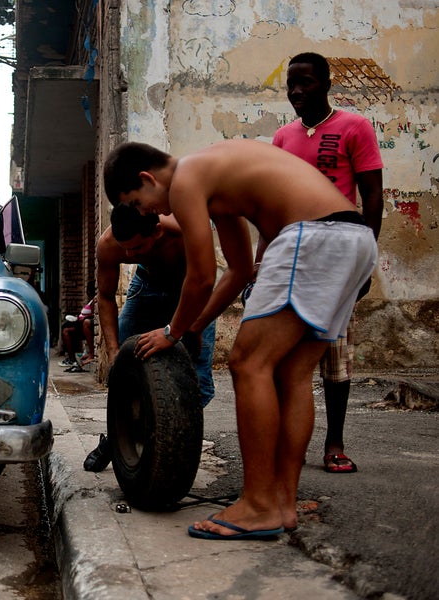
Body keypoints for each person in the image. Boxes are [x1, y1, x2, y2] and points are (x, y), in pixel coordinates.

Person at [105, 139, 376, 540]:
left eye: (137, 203)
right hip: (353, 238)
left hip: (313, 234)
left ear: (147, 177)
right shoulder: (213, 174)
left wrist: (171, 332)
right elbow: (238, 269)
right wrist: (195, 326)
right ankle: (282, 504)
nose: (148, 214)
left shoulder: (185, 180)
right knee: (293, 374)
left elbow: (200, 277)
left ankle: (258, 505)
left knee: (248, 363)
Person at [271, 52, 383, 474]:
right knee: (284, 355)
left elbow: (373, 193)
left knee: (335, 356)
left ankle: (334, 443)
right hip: (293, 253)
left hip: (339, 254)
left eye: (306, 82)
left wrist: (365, 259)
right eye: (291, 84)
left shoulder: (354, 127)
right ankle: (289, 440)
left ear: (327, 83)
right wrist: (264, 261)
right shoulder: (283, 137)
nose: (297, 91)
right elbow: (274, 202)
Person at [83, 204, 220, 470]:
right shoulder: (109, 245)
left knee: (199, 382)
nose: (129, 255)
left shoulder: (185, 233)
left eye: (136, 249)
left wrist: (190, 329)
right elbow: (106, 297)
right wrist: (112, 351)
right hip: (146, 285)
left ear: (156, 232)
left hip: (190, 288)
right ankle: (117, 439)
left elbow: (203, 281)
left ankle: (165, 441)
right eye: (126, 250)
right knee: (123, 368)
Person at [59, 298, 95, 368]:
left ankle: (72, 359)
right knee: (65, 326)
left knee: (66, 331)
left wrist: (83, 318)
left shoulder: (95, 301)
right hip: (81, 321)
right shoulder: (91, 301)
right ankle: (71, 358)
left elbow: (94, 315)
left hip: (84, 323)